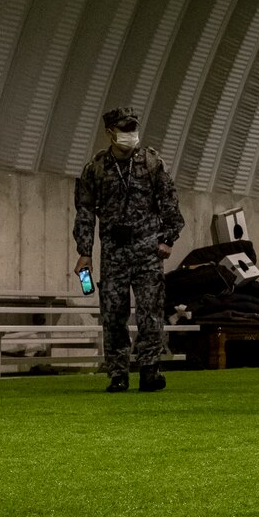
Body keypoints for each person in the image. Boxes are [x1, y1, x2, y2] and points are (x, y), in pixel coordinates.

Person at [74, 107, 184, 394]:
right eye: (124, 129)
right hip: (113, 251)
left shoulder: (151, 162)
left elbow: (169, 201)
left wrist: (168, 238)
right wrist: (84, 251)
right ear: (110, 132)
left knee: (151, 312)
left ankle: (149, 370)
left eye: (132, 127)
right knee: (113, 313)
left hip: (147, 249)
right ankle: (118, 373)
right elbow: (85, 211)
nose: (130, 133)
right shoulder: (96, 168)